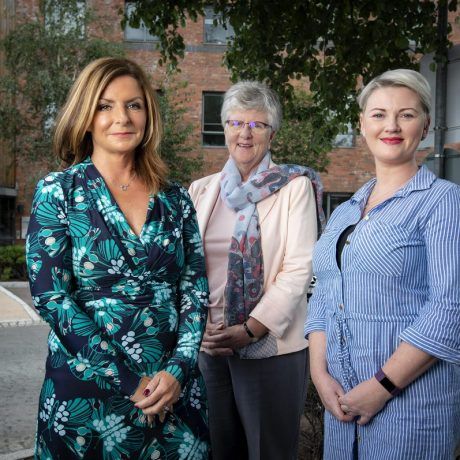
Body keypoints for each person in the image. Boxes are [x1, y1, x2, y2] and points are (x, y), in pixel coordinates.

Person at [26, 57, 209, 459]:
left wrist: (178, 371)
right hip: (85, 395)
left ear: (148, 114)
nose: (122, 118)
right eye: (105, 106)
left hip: (172, 395)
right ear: (86, 117)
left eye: (133, 105)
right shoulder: (59, 191)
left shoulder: (176, 199)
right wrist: (128, 381)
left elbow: (195, 291)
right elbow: (51, 297)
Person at [305, 69, 460, 459]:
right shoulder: (345, 212)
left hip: (410, 408)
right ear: (362, 124)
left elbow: (450, 308)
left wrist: (381, 387)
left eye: (406, 115)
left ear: (425, 126)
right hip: (340, 409)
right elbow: (324, 295)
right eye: (379, 114)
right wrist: (319, 375)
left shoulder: (443, 201)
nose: (391, 125)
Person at [188, 81, 325, 460]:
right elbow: (186, 268)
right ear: (224, 129)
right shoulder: (201, 190)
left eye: (257, 125)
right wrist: (198, 327)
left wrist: (251, 329)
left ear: (272, 133)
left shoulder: (294, 187)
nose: (245, 134)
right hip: (209, 345)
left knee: (269, 451)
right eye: (236, 123)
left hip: (271, 346)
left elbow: (299, 268)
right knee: (219, 450)